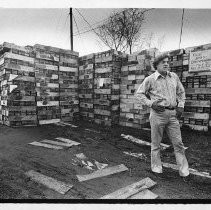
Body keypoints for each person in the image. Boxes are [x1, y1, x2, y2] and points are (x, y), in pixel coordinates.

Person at [135, 53, 190, 182]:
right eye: (162, 62)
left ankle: (184, 172)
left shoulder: (174, 77)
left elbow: (181, 92)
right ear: (156, 65)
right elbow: (139, 94)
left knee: (178, 143)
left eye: (167, 62)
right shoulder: (150, 79)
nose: (166, 64)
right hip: (157, 114)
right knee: (156, 144)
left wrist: (181, 106)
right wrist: (151, 103)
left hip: (172, 114)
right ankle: (156, 168)